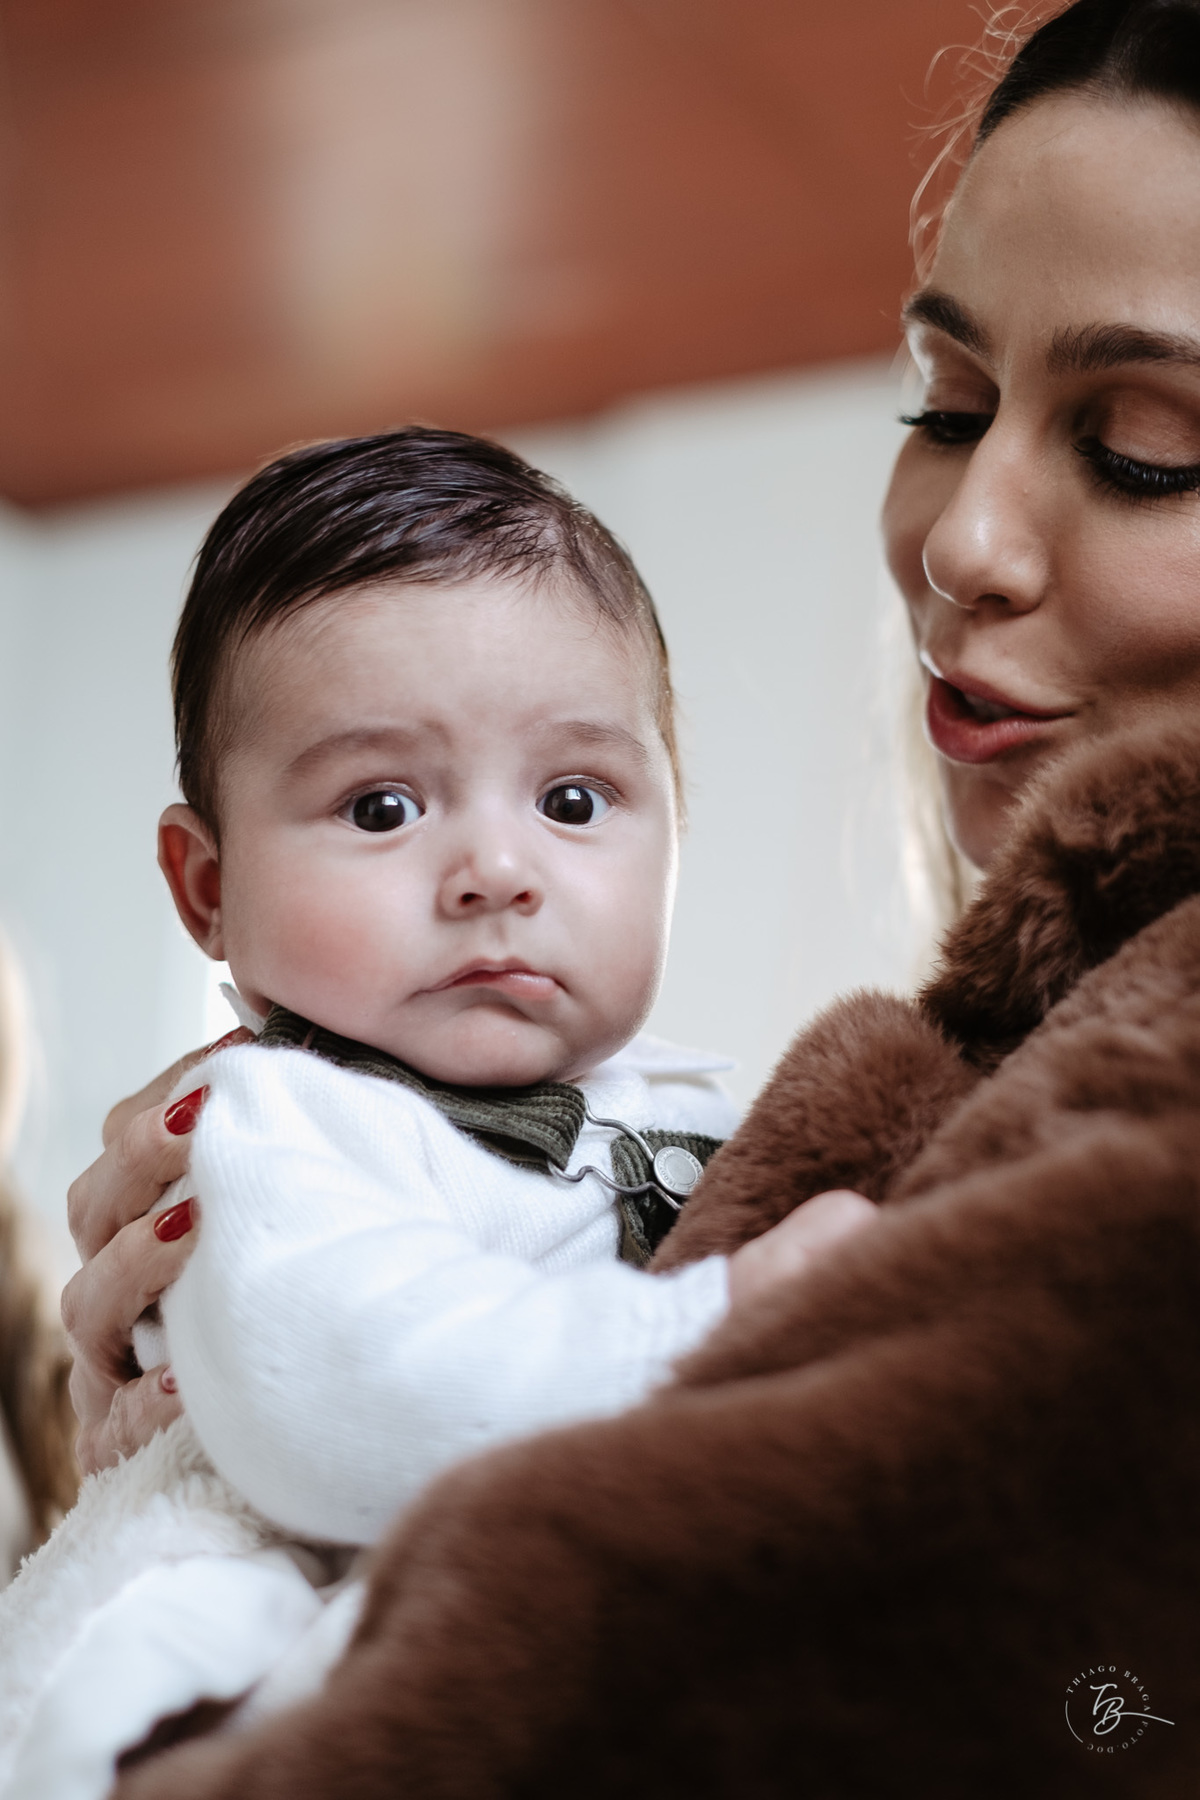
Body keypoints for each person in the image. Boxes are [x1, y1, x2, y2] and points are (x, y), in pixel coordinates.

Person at [59, 2, 1200, 1794]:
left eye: (1146, 445)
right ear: (204, 888)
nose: (963, 540)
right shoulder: (292, 1125)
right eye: (947, 403)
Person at [1, 428, 871, 1792]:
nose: (496, 870)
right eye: (384, 803)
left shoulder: (707, 1111)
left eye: (574, 798)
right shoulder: (273, 1130)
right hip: (261, 1646)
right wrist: (724, 1322)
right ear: (205, 889)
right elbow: (363, 1395)